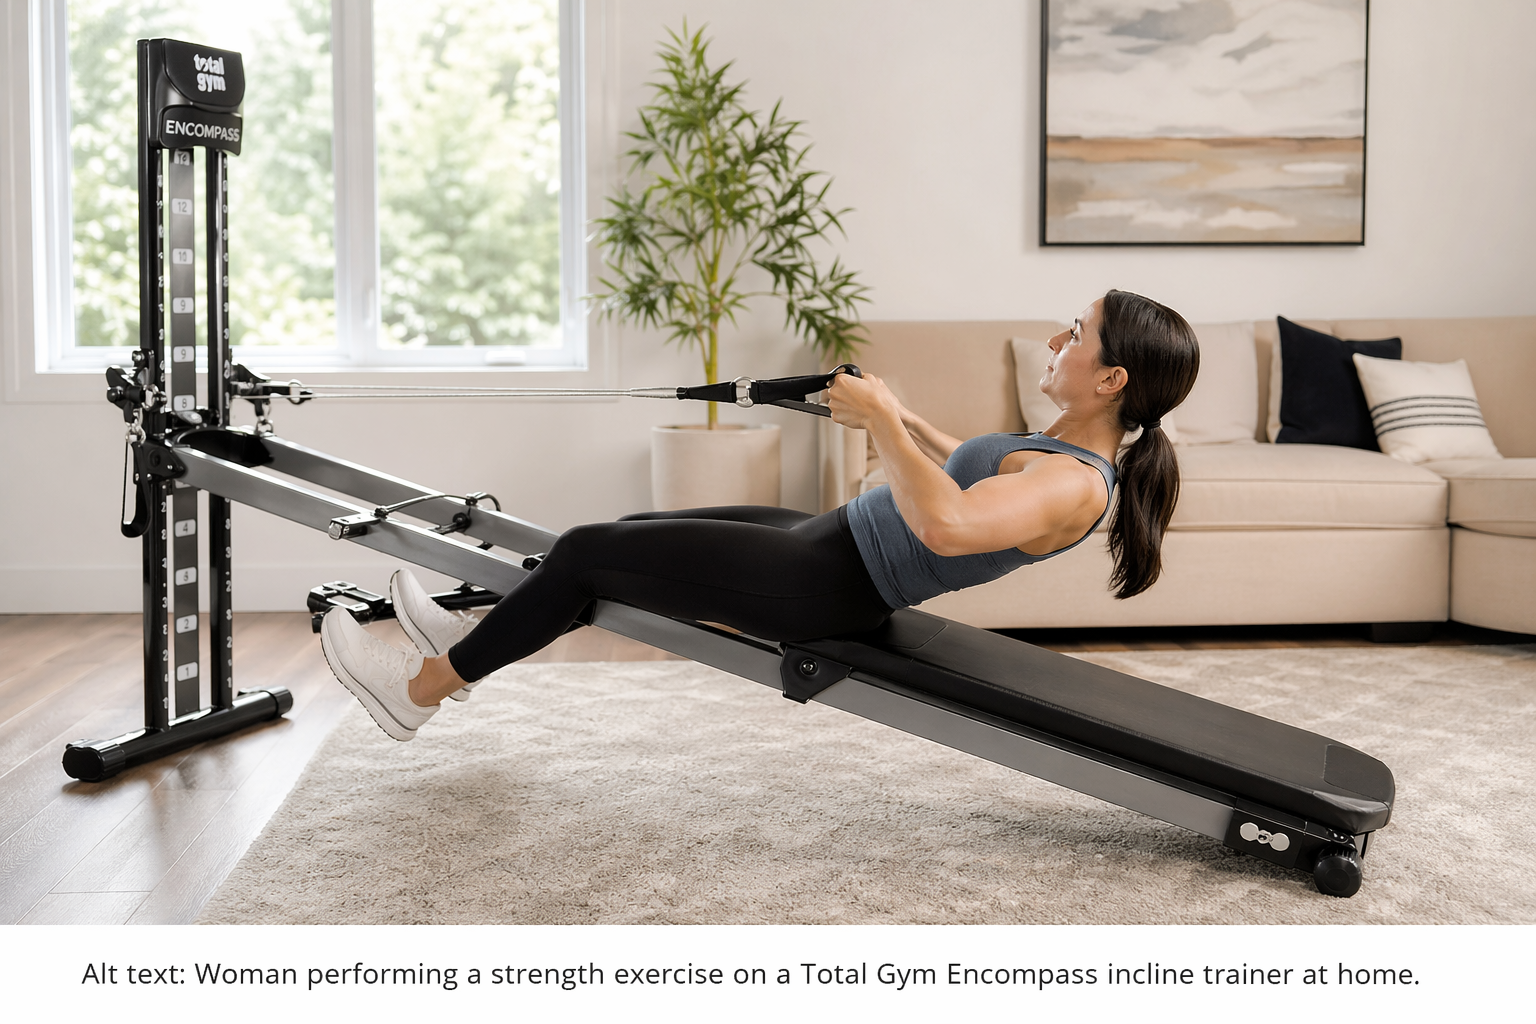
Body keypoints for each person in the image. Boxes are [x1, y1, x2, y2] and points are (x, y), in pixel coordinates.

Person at [320, 289, 1200, 740]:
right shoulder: (1056, 449)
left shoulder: (1076, 485)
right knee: (631, 536)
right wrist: (898, 412)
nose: (1054, 340)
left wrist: (883, 425)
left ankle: (418, 692)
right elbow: (968, 468)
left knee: (588, 552)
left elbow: (948, 526)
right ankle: (468, 640)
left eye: (1074, 332)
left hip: (828, 589)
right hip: (830, 543)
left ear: (1111, 378)